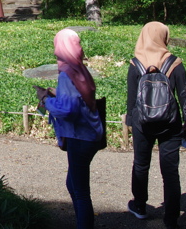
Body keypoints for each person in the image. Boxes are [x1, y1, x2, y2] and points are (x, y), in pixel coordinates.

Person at [126, 21, 186, 228]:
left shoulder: (136, 63)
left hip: (142, 123)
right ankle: (171, 217)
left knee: (141, 164)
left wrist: (130, 121)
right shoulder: (175, 63)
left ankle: (140, 206)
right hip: (170, 124)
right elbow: (184, 96)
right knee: (170, 171)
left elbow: (131, 98)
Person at [45, 28, 106, 229]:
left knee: (80, 192)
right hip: (92, 134)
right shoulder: (80, 69)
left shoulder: (67, 74)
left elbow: (69, 110)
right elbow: (77, 98)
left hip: (80, 136)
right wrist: (58, 94)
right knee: (72, 184)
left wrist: (46, 101)